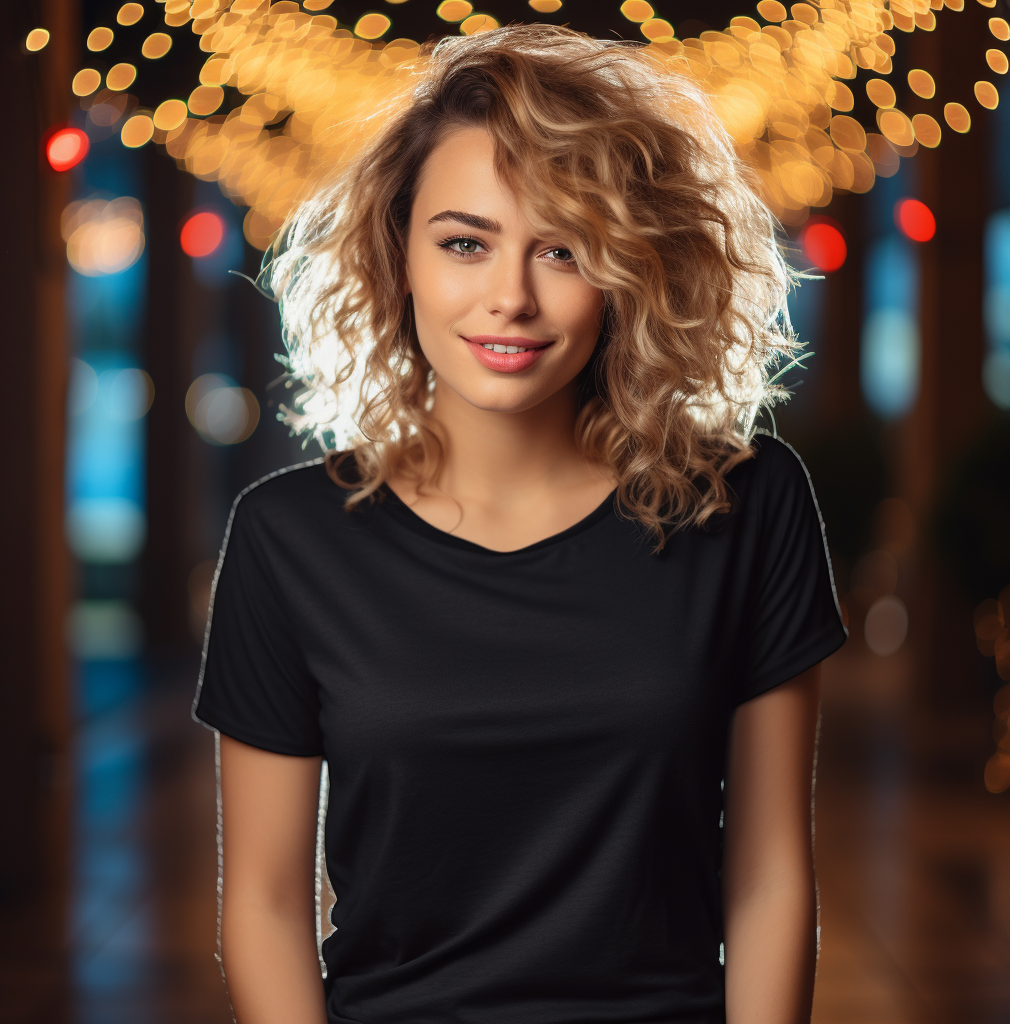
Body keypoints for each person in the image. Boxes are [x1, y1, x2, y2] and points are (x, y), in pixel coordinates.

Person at [192, 23, 848, 1024]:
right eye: (465, 242)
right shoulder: (288, 539)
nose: (510, 298)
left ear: (628, 269)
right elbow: (267, 907)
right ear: (397, 254)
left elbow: (767, 879)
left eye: (564, 250)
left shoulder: (748, 506)